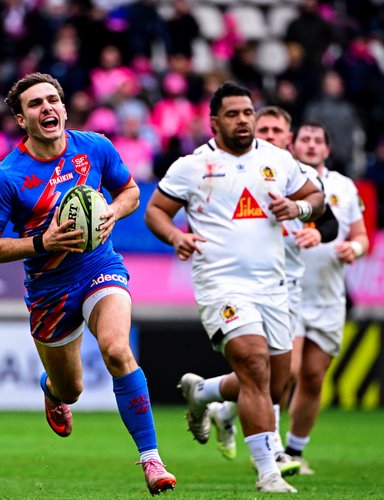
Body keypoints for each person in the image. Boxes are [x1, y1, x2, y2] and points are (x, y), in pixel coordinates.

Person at [0, 72, 176, 495]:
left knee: (117, 349)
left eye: (53, 100)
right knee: (72, 389)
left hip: (99, 266)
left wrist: (111, 212)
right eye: (35, 104)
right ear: (21, 120)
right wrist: (42, 242)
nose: (47, 107)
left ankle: (151, 459)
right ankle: (53, 391)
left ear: (64, 109)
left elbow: (130, 192)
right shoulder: (6, 176)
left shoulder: (96, 147)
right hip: (49, 290)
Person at [144, 82, 326, 493]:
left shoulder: (278, 159)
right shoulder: (192, 166)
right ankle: (268, 473)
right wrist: (175, 236)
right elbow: (155, 211)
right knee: (254, 362)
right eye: (233, 114)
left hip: (273, 287)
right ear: (214, 122)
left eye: (247, 113)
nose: (243, 120)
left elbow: (316, 197)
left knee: (274, 384)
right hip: (221, 284)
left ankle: (204, 391)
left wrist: (297, 207)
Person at [201, 106, 339, 475]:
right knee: (266, 368)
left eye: (277, 130)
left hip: (287, 285)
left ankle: (212, 399)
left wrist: (315, 231)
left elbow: (330, 223)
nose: (270, 135)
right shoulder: (229, 172)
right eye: (264, 129)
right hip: (243, 285)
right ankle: (274, 452)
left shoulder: (296, 175)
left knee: (276, 377)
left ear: (287, 138)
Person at [283, 121, 369, 475]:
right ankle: (265, 446)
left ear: (327, 149)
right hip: (288, 291)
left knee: (314, 377)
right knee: (287, 370)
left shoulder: (344, 187)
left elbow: (361, 236)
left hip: (328, 295)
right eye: (305, 138)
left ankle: (294, 451)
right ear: (293, 145)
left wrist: (354, 249)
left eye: (318, 140)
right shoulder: (283, 179)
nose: (312, 144)